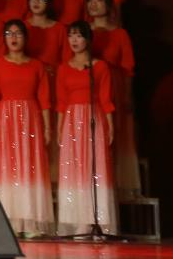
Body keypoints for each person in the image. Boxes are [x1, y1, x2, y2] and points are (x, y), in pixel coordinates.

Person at [0, 20, 53, 236]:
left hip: (30, 119)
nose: (13, 38)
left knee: (30, 165)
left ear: (26, 38)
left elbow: (44, 100)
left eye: (18, 34)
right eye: (9, 33)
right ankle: (10, 221)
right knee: (9, 166)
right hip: (6, 119)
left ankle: (31, 221)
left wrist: (47, 128)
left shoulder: (37, 66)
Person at [55, 21, 118, 235]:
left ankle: (97, 219)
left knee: (94, 166)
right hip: (72, 121)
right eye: (71, 35)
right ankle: (78, 221)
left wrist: (110, 125)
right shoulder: (63, 68)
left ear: (88, 39)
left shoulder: (99, 67)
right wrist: (59, 127)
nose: (74, 40)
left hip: (93, 117)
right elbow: (61, 102)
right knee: (74, 168)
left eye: (79, 35)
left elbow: (106, 99)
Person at [86, 0, 140, 199]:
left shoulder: (119, 34)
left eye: (99, 0)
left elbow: (128, 68)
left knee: (114, 133)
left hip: (114, 87)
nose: (94, 4)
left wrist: (126, 95)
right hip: (90, 87)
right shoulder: (83, 32)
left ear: (109, 6)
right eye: (90, 1)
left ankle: (116, 183)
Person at [20, 0, 64, 70]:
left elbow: (66, 58)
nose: (36, 2)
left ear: (49, 2)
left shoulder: (60, 29)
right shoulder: (22, 27)